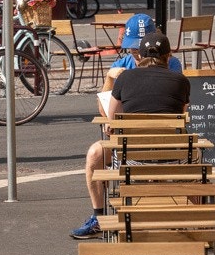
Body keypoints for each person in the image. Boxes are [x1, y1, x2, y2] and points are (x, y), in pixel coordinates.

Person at [72, 31, 192, 239]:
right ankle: (194, 222)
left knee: (95, 155)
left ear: (139, 56)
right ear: (168, 56)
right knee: (197, 158)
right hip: (171, 158)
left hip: (131, 159)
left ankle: (99, 216)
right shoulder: (181, 81)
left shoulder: (125, 77)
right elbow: (182, 116)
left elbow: (112, 119)